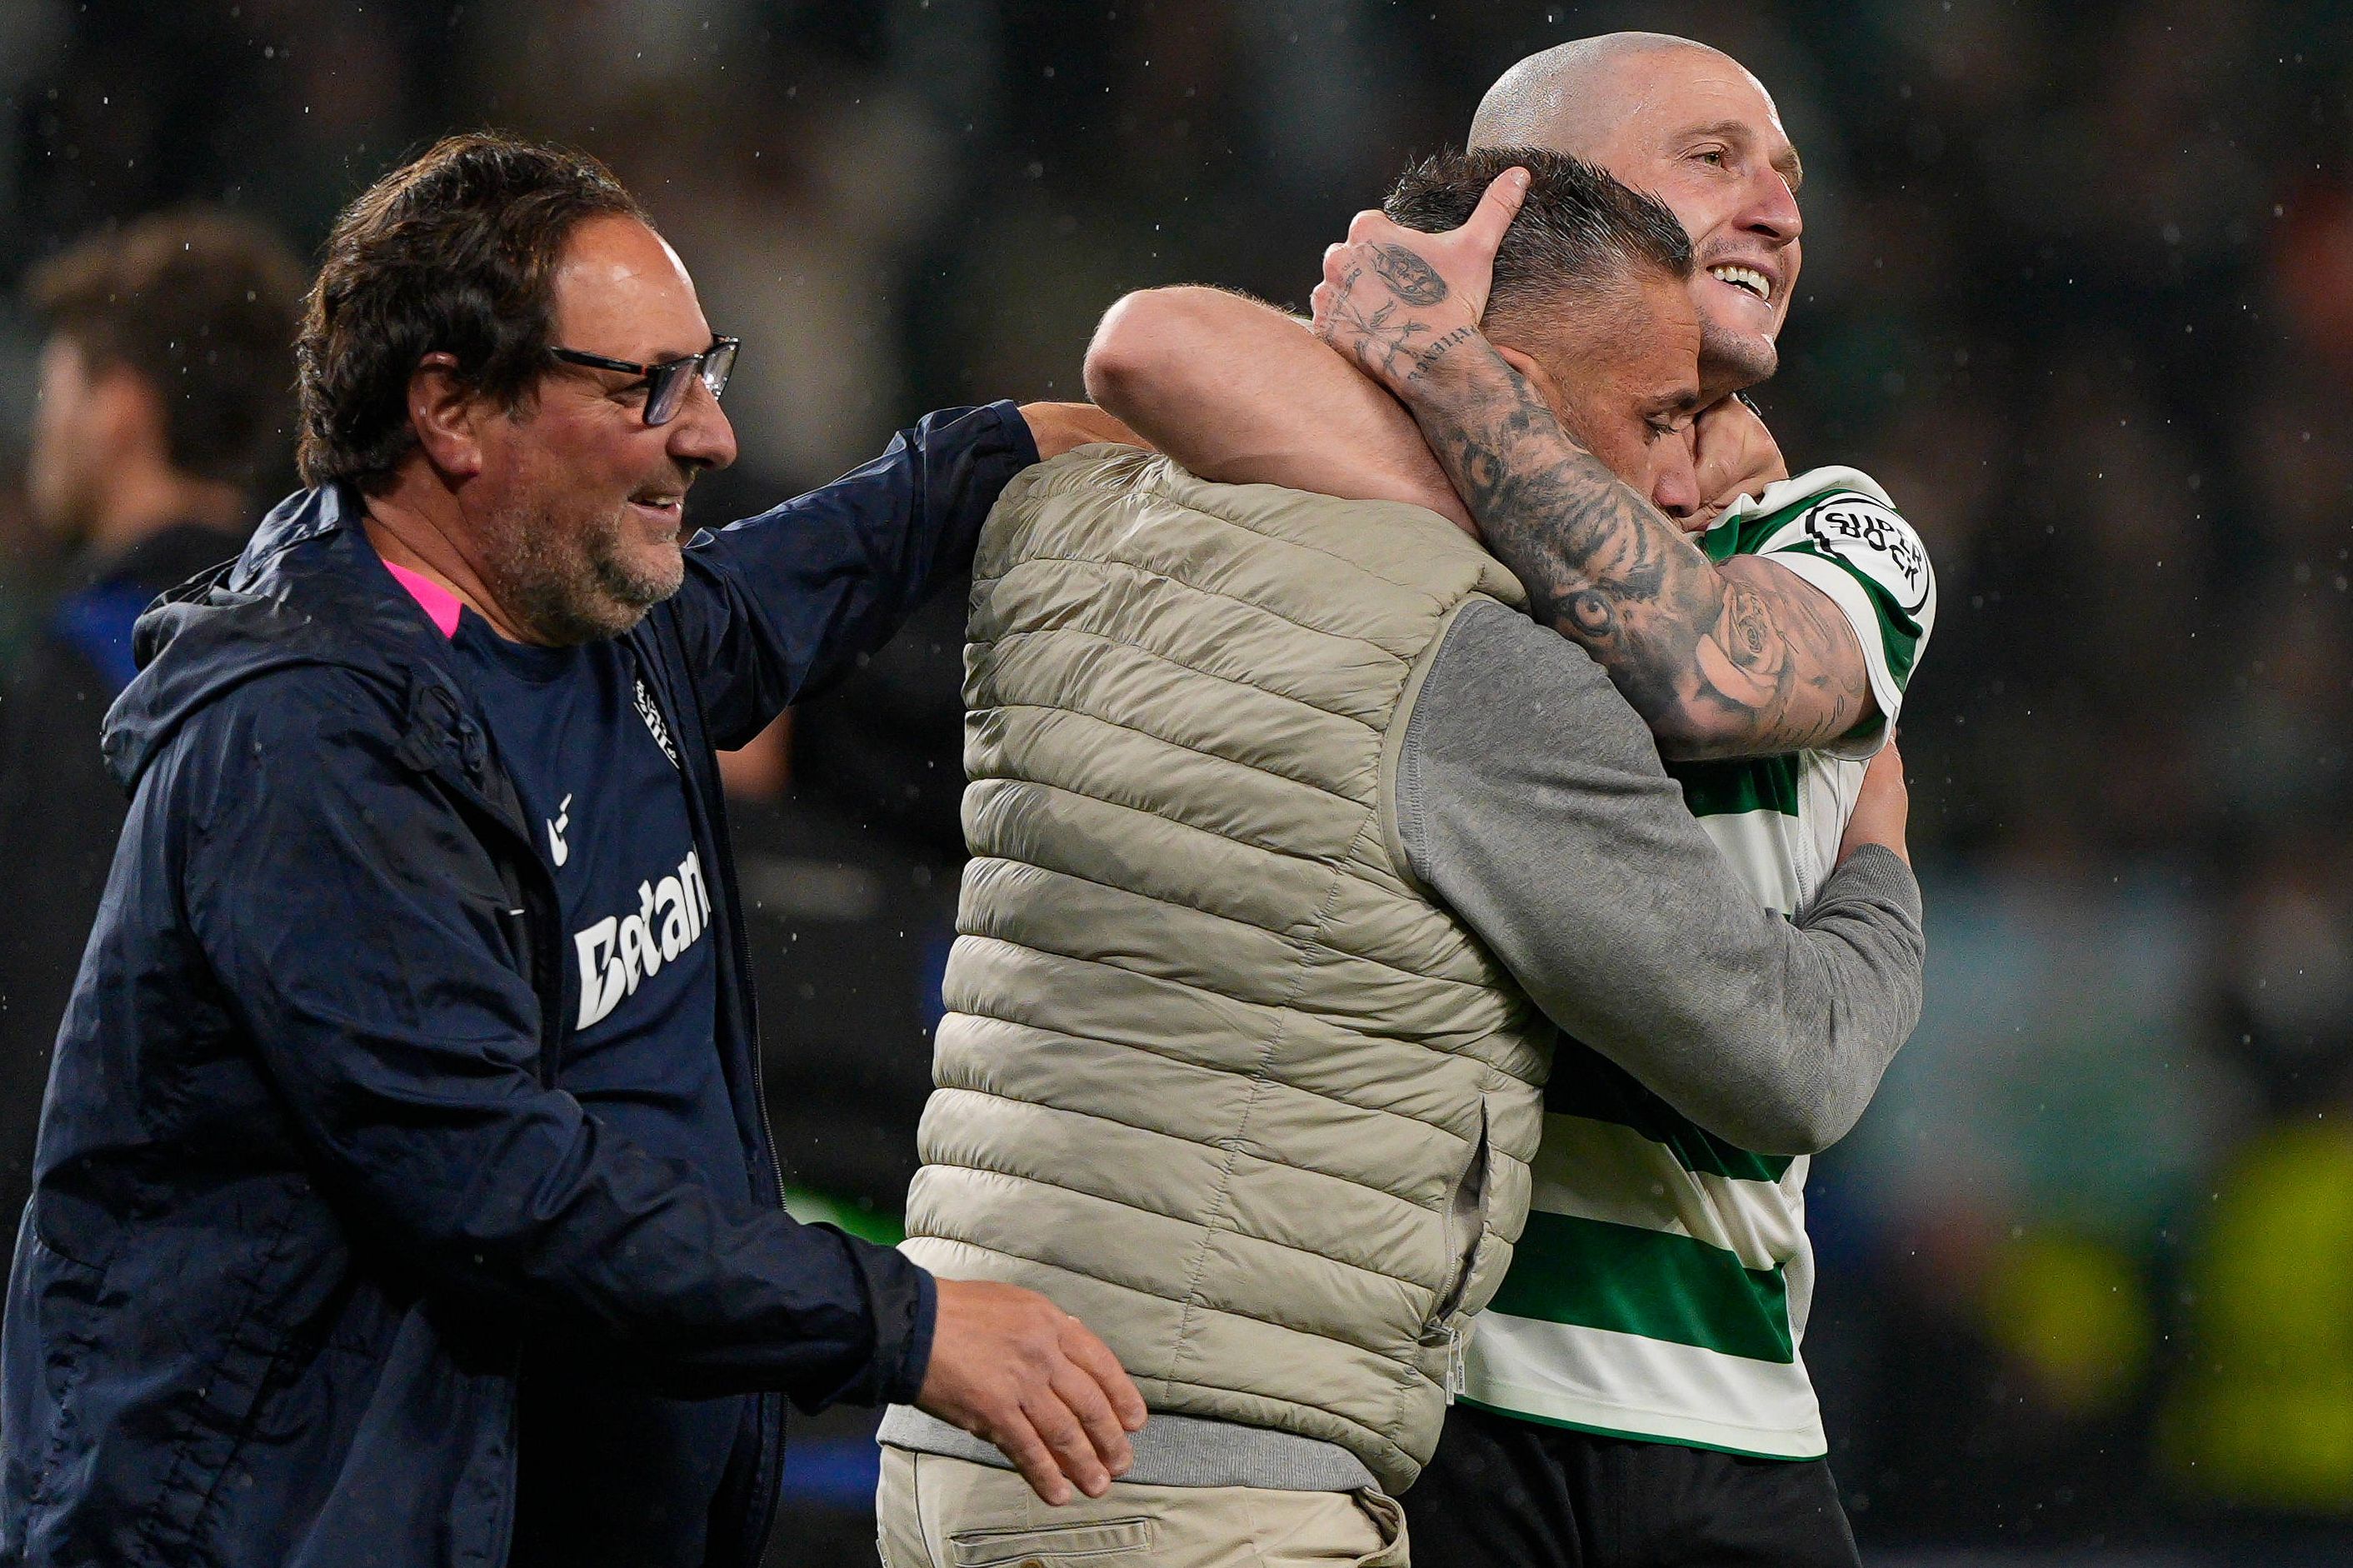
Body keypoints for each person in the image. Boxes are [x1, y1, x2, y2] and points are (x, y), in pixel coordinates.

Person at [0, 132, 1147, 1568]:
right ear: (453, 410)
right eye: (640, 386)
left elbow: (812, 569)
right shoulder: (305, 747)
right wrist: (903, 1323)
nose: (709, 433)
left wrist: (1003, 454)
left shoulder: (599, 632)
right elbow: (503, 1185)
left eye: (703, 368)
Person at [872, 149, 1925, 1568]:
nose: (1687, 475)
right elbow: (1791, 1059)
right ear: (1491, 387)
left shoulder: (1085, 506)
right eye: (1658, 414)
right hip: (1215, 1480)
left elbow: (1145, 340)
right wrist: (1878, 856)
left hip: (964, 1430)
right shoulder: (1490, 667)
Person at [0, 210, 305, 1236]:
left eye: (57, 391)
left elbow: (49, 1006)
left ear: (118, 407)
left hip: (97, 1259)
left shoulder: (86, 665)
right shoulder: (322, 637)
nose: (41, 429)